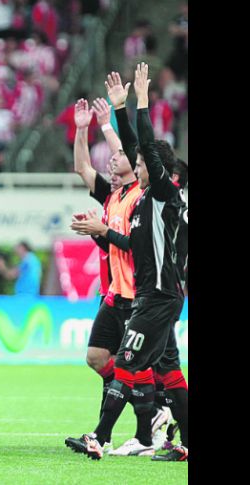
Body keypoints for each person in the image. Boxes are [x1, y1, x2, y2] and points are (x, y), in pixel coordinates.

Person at [76, 63, 188, 462]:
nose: (133, 166)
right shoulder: (143, 201)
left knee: (125, 360)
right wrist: (119, 108)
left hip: (157, 295)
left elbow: (144, 144)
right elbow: (135, 148)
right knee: (169, 371)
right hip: (153, 295)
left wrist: (138, 104)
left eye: (140, 164)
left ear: (158, 171)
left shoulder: (162, 195)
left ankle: (101, 437)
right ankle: (182, 443)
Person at [63, 94, 144, 455]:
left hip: (138, 292)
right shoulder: (113, 196)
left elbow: (131, 150)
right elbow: (82, 168)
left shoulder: (141, 194)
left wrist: (110, 125)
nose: (112, 160)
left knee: (138, 365)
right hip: (112, 291)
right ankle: (132, 415)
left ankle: (133, 424)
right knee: (98, 357)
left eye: (119, 157)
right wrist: (82, 131)